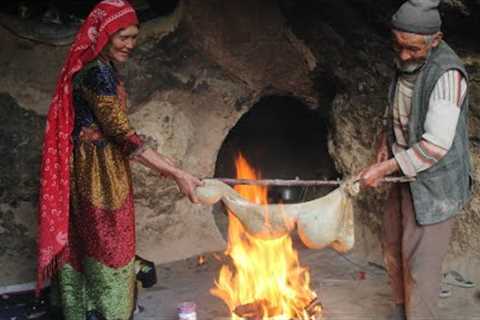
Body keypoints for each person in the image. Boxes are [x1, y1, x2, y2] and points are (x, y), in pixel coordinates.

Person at [36, 1, 202, 319]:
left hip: (102, 162)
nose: (130, 44)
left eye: (134, 37)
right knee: (108, 242)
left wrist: (169, 165)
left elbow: (121, 134)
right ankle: (109, 312)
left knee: (91, 239)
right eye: (122, 37)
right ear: (103, 34)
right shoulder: (96, 73)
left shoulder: (105, 67)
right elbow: (123, 133)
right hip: (94, 171)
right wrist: (176, 173)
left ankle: (87, 310)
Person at [358, 0, 472, 319]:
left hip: (435, 185)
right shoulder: (406, 59)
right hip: (404, 173)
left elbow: (435, 147)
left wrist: (385, 167)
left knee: (421, 266)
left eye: (413, 49)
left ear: (435, 40)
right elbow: (396, 105)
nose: (404, 55)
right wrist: (385, 142)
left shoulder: (448, 76)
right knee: (394, 250)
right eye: (399, 46)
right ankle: (400, 312)